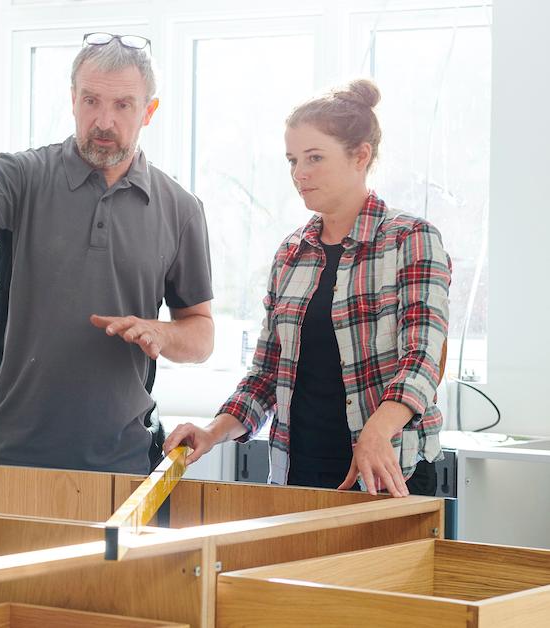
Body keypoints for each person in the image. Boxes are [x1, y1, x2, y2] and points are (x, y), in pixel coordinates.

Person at [0, 33, 214, 474]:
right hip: (15, 455)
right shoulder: (22, 176)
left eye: (123, 105)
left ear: (149, 111)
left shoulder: (180, 208)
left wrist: (162, 334)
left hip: (127, 460)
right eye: (91, 101)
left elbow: (201, 335)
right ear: (73, 99)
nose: (104, 121)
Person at [163, 79, 450, 496]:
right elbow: (264, 376)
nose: (300, 173)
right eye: (292, 160)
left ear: (360, 156)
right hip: (298, 475)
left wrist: (377, 430)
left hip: (388, 473)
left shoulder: (411, 240)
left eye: (314, 157)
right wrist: (212, 432)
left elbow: (422, 359)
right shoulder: (291, 254)